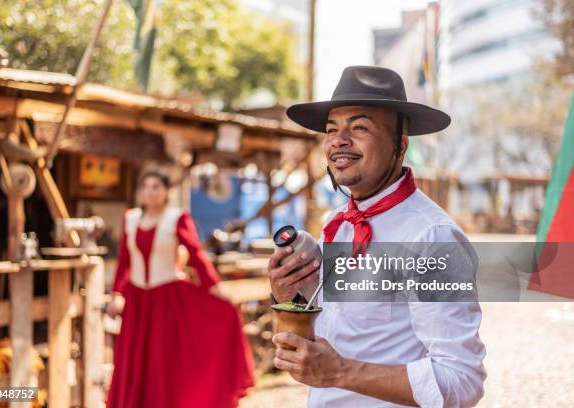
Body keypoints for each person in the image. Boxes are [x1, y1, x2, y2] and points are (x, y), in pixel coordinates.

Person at [268, 66, 486, 407]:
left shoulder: (431, 237)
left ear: (399, 145)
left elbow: (460, 381)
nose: (339, 140)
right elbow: (337, 334)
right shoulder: (336, 224)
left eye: (360, 127)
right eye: (331, 129)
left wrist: (339, 372)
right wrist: (293, 297)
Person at [106, 170, 254, 408]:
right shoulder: (131, 218)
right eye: (146, 187)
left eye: (156, 187)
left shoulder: (176, 218)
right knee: (136, 362)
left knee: (163, 360)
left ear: (166, 192)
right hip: (137, 302)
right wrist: (116, 294)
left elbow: (196, 255)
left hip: (167, 300)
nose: (150, 192)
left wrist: (216, 289)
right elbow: (125, 260)